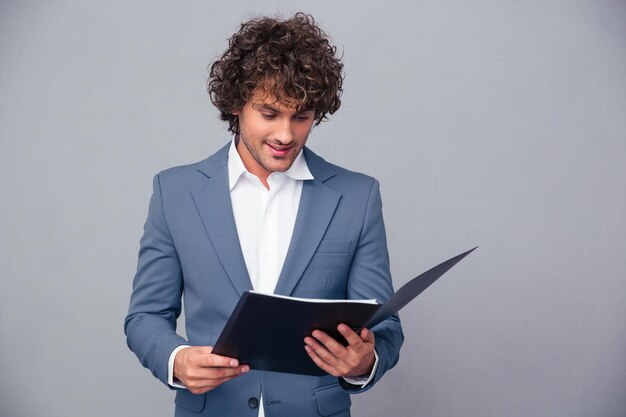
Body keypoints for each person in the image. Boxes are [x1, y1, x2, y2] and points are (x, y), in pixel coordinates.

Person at [124, 13, 403, 417]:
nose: (286, 135)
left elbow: (384, 326)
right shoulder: (176, 193)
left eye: (302, 117)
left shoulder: (357, 196)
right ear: (237, 105)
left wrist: (364, 363)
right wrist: (176, 360)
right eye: (270, 114)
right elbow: (146, 315)